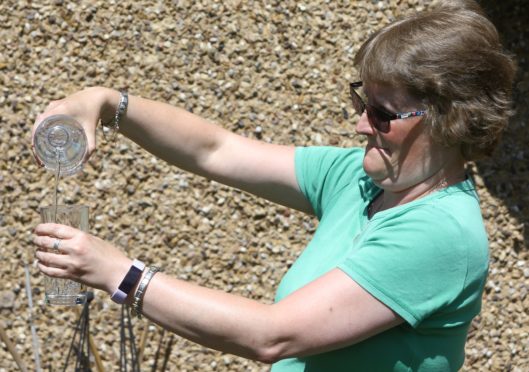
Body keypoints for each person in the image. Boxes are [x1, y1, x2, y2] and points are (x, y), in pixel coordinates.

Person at [33, 1, 516, 370]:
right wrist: (105, 102)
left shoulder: (439, 233)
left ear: (451, 121)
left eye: (383, 115)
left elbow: (273, 336)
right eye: (360, 103)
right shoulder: (362, 179)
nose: (360, 126)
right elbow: (214, 150)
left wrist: (121, 273)